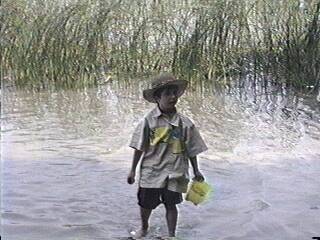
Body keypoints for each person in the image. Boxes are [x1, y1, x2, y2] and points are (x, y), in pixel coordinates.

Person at [127, 73, 208, 239]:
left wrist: (196, 170)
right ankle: (144, 227)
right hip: (152, 170)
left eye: (174, 93)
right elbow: (139, 147)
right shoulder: (149, 121)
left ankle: (171, 235)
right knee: (145, 203)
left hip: (176, 171)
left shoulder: (185, 123)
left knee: (172, 204)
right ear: (157, 97)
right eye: (167, 94)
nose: (172, 97)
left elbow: (192, 149)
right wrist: (132, 171)